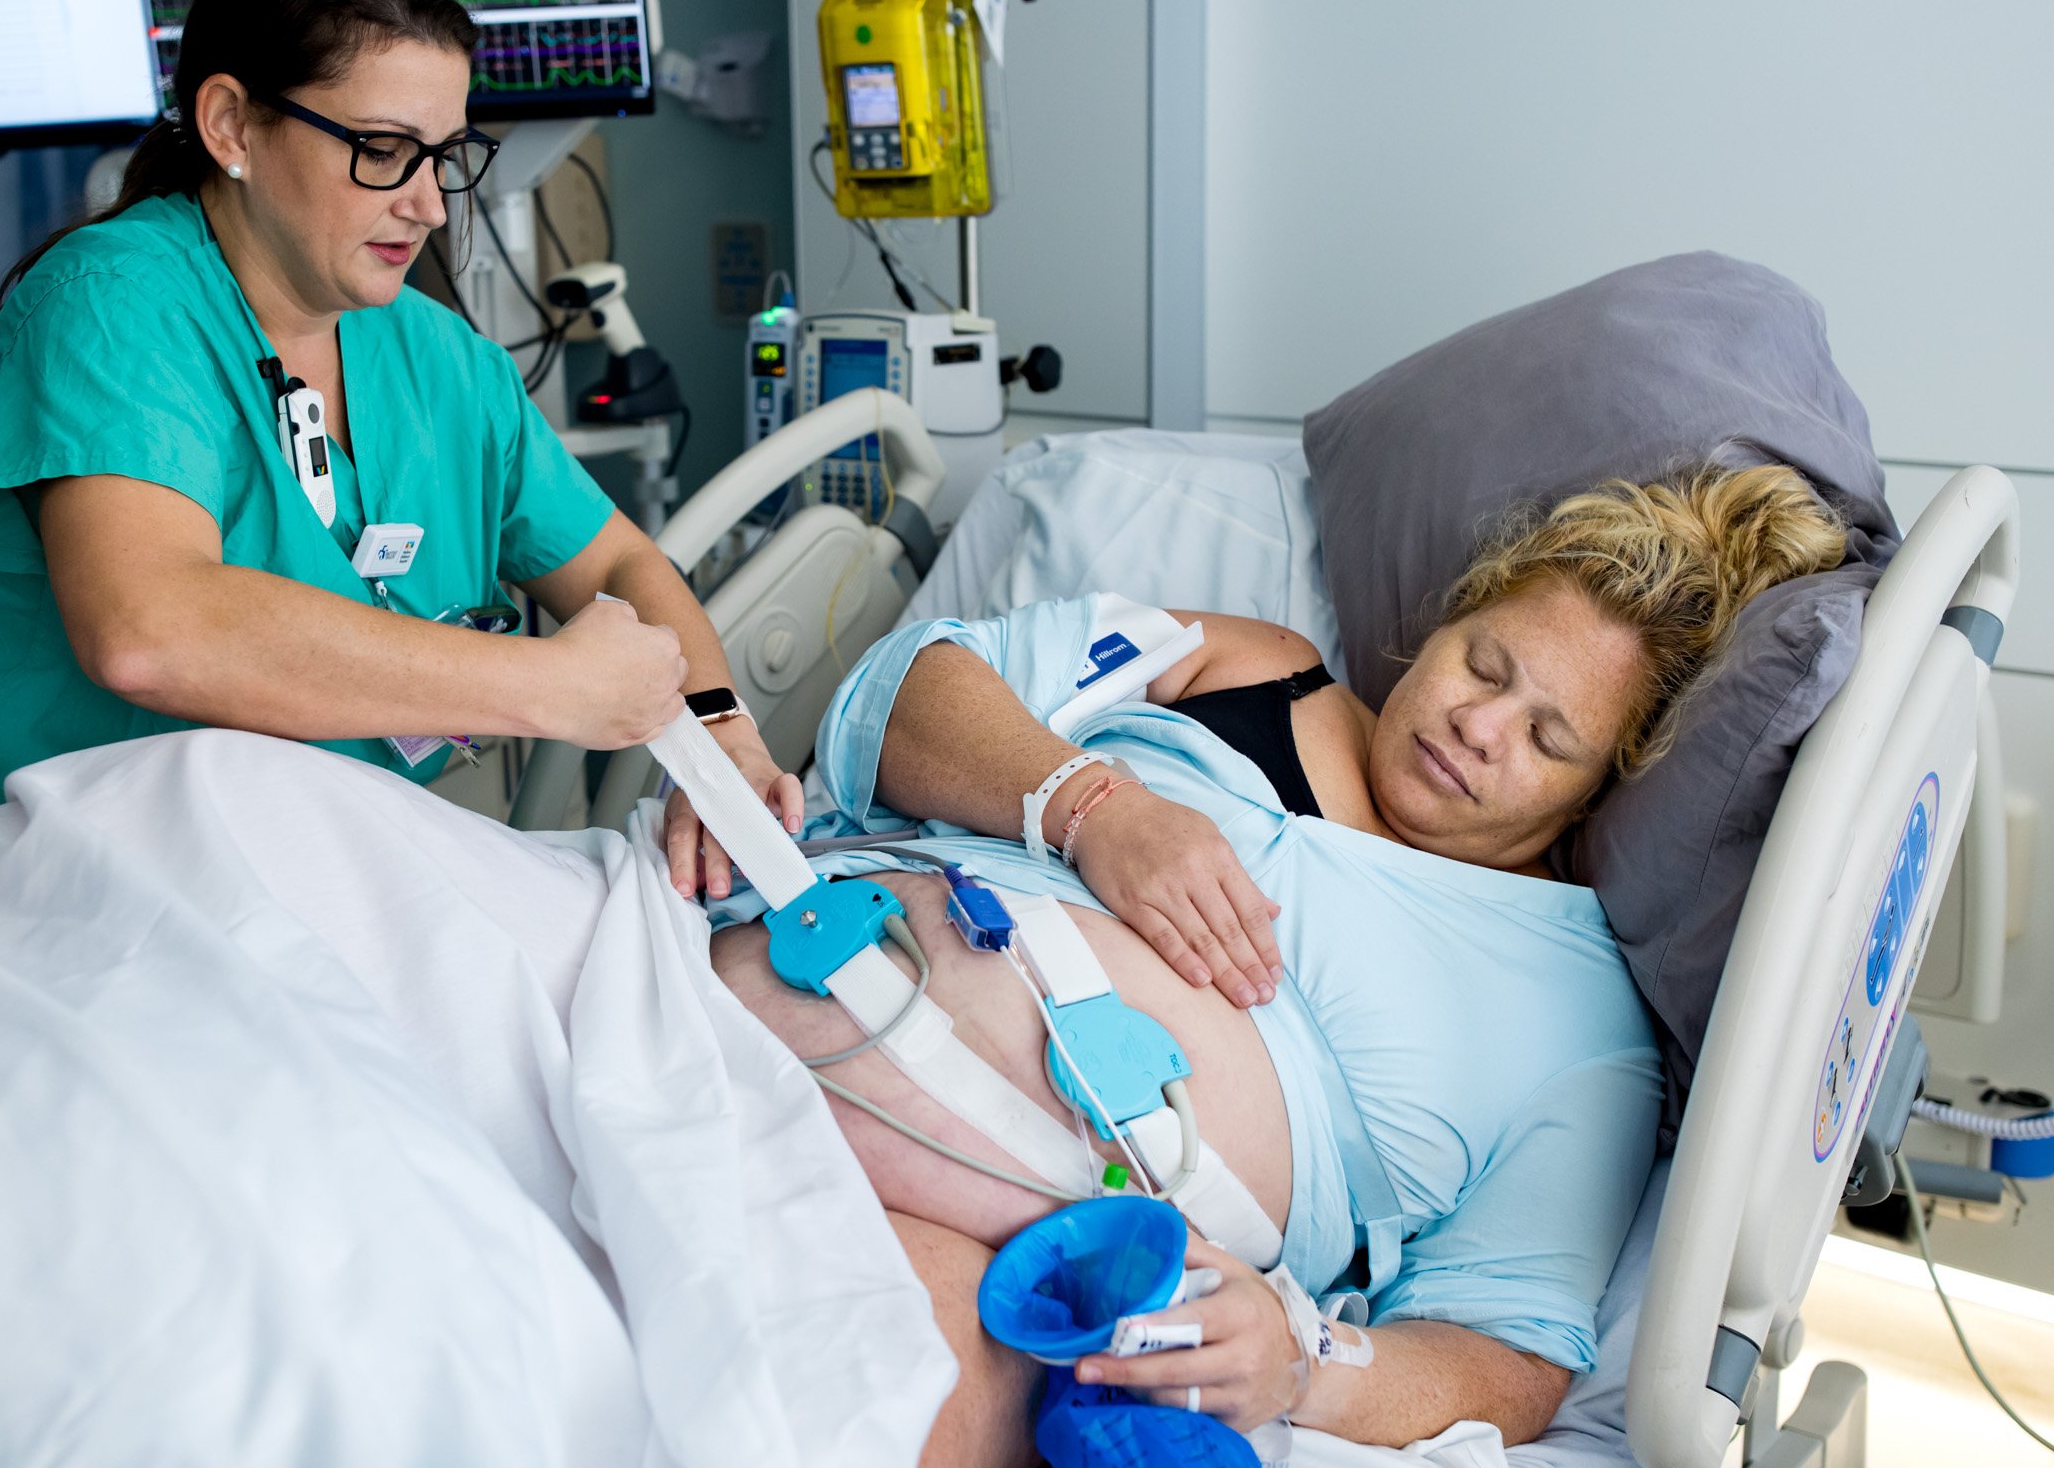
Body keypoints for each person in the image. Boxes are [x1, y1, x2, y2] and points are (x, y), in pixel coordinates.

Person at [712, 464, 1848, 1461]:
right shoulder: (1250, 669)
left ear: (1603, 787)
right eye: (1481, 662)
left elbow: (1509, 1357)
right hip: (696, 991)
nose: (1480, 726)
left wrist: (1305, 1359)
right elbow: (902, 690)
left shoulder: (1583, 1024)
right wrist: (1089, 805)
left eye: (1549, 738)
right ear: (1444, 621)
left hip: (1000, 1262)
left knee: (824, 1406)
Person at [0, 0, 788, 885]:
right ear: (231, 126)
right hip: (20, 885)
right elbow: (150, 629)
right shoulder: (113, 305)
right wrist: (549, 687)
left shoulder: (439, 360)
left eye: (443, 156)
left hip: (283, 894)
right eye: (382, 151)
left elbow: (619, 559)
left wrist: (722, 734)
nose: (427, 204)